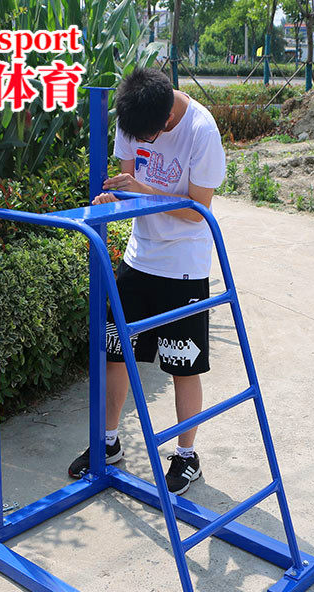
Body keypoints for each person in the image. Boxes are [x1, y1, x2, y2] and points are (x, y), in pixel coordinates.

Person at [68, 66, 226, 495]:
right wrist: (115, 196)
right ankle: (108, 441)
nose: (141, 143)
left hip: (183, 266)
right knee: (116, 353)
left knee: (182, 365)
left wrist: (143, 190)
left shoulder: (201, 131)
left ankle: (186, 456)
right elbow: (127, 189)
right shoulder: (134, 119)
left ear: (167, 118)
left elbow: (197, 210)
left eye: (149, 138)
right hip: (139, 259)